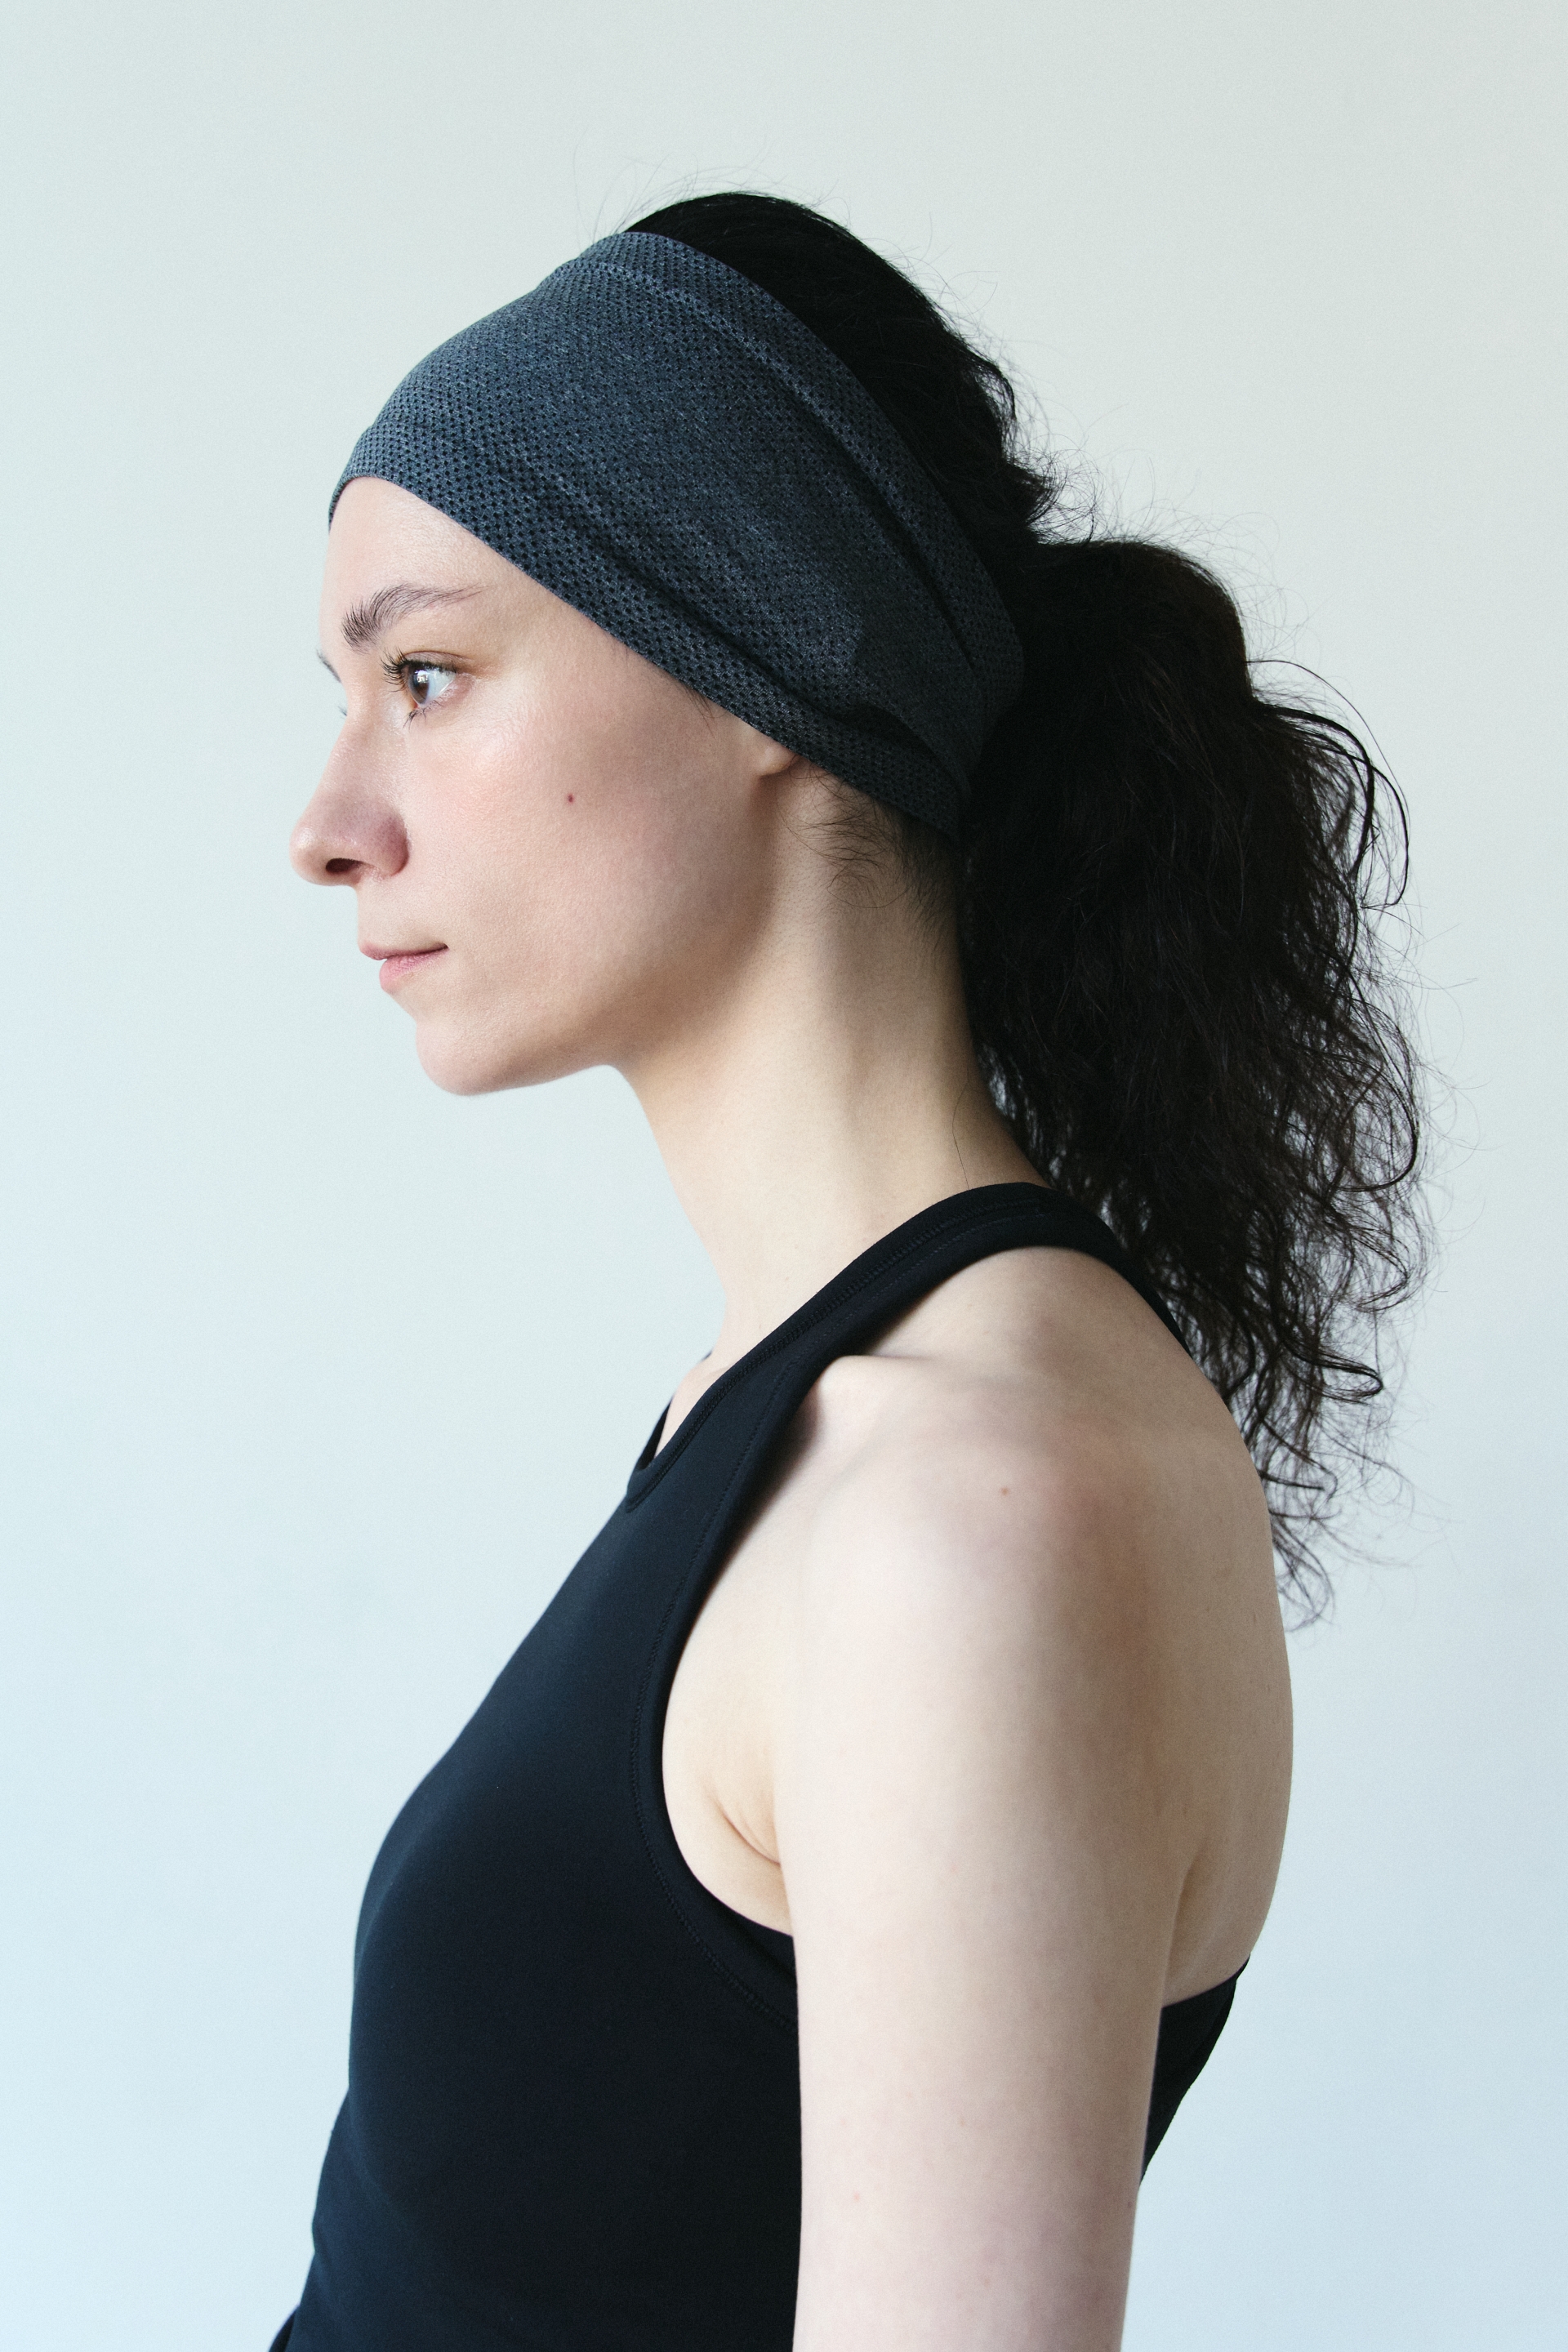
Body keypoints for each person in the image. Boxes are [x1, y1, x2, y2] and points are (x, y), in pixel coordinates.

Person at [276, 194, 1423, 2352]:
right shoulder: (811, 1410)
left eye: (426, 677)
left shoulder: (961, 1513)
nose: (330, 820)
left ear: (770, 648)